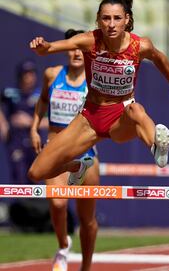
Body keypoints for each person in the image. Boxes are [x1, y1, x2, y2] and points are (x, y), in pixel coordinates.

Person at [28, 0, 169, 185]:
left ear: (127, 20)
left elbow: (160, 59)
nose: (111, 24)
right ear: (98, 21)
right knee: (36, 173)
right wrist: (43, 47)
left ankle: (157, 147)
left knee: (136, 110)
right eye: (106, 18)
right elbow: (52, 47)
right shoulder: (89, 40)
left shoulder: (140, 45)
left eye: (117, 18)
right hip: (89, 118)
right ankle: (78, 166)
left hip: (120, 116)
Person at [30, 29, 99, 271]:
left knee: (87, 219)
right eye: (72, 48)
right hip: (55, 147)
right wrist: (34, 127)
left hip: (85, 154)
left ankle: (87, 265)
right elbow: (42, 101)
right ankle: (63, 245)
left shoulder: (94, 81)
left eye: (81, 49)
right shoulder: (52, 75)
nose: (76, 53)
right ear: (66, 50)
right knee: (58, 204)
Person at [0, 59, 48, 184]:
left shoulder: (41, 95)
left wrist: (29, 122)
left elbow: (50, 120)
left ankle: (32, 203)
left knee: (34, 175)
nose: (28, 77)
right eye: (25, 73)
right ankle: (19, 203)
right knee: (18, 174)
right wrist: (3, 125)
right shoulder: (9, 93)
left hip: (34, 140)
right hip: (15, 140)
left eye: (31, 73)